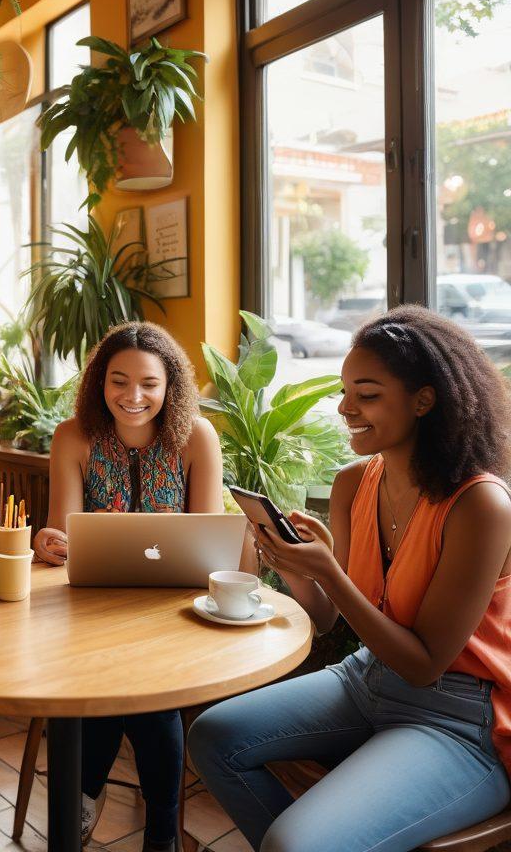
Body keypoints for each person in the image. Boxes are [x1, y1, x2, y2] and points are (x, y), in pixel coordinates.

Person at [188, 305, 511, 852]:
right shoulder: (354, 482)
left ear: (424, 400)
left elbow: (425, 664)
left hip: (460, 716)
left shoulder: (480, 504)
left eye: (367, 393)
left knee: (293, 843)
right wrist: (293, 565)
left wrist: (331, 573)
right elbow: (327, 617)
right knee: (213, 736)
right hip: (367, 679)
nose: (344, 408)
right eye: (344, 391)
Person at [33, 321, 228, 852]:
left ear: (171, 388)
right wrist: (49, 543)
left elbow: (208, 539)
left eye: (149, 383)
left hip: (172, 610)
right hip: (91, 606)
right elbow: (62, 532)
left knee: (144, 692)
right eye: (119, 381)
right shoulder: (73, 436)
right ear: (100, 382)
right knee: (118, 686)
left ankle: (91, 798)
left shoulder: (196, 437)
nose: (133, 396)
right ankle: (161, 832)